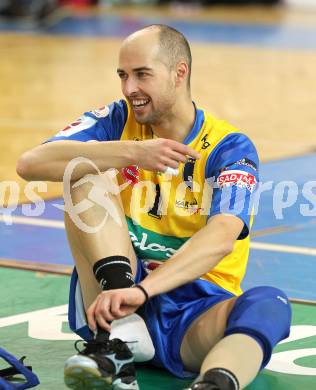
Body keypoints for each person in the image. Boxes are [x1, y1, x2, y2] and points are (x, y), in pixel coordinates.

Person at [16, 24, 292, 390]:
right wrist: (133, 151)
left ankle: (213, 383)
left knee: (271, 304)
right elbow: (30, 163)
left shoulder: (230, 148)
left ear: (180, 73)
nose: (130, 89)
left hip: (193, 310)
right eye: (123, 76)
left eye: (142, 74)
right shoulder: (117, 121)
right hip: (117, 289)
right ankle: (118, 339)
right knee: (82, 173)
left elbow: (223, 236)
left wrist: (146, 292)